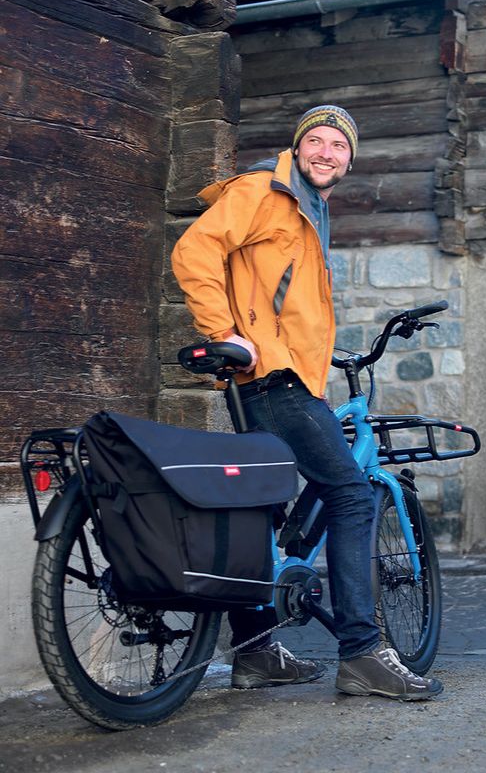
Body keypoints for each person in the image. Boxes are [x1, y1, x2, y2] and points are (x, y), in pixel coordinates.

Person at [171, 105, 443, 700]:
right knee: (350, 494)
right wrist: (223, 332)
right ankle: (363, 652)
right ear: (297, 148)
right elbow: (194, 251)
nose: (326, 152)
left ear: (350, 159)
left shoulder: (307, 208)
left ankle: (255, 651)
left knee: (261, 512)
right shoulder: (263, 191)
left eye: (338, 145)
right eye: (315, 141)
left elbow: (283, 298)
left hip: (281, 375)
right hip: (274, 376)